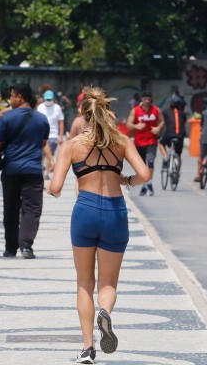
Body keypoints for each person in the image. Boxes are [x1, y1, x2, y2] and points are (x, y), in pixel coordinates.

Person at [46, 87, 150, 364]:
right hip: (115, 210)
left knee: (84, 282)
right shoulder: (121, 141)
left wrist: (51, 189)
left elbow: (56, 187)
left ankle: (88, 347)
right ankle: (105, 310)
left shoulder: (72, 145)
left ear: (82, 114)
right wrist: (125, 181)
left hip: (85, 211)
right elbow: (144, 174)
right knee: (108, 282)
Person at [0, 84, 51, 259]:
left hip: (11, 169)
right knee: (31, 208)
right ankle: (26, 246)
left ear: (19, 97)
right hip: (33, 169)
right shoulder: (42, 119)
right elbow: (43, 142)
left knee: (10, 208)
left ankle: (10, 248)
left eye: (12, 96)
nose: (10, 99)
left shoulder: (7, 118)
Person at [126, 91, 164, 196]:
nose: (147, 101)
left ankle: (150, 183)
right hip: (139, 142)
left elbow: (162, 121)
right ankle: (144, 185)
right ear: (141, 100)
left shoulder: (156, 110)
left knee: (150, 162)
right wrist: (136, 126)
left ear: (151, 100)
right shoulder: (135, 111)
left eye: (148, 99)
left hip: (151, 140)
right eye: (145, 99)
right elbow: (128, 124)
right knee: (142, 165)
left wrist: (158, 128)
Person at [37, 89, 66, 179]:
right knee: (41, 154)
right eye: (47, 99)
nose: (48, 101)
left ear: (53, 99)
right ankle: (40, 171)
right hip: (41, 135)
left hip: (53, 135)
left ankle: (46, 173)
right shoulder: (40, 107)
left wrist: (61, 136)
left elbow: (61, 122)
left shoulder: (57, 107)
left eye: (50, 100)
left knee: (49, 155)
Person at [158, 96, 186, 175]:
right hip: (180, 135)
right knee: (179, 155)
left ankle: (165, 157)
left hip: (169, 134)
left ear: (170, 103)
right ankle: (177, 173)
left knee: (160, 143)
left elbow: (162, 123)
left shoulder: (165, 112)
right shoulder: (182, 113)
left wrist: (159, 134)